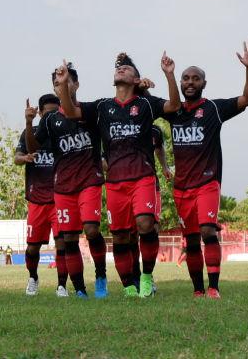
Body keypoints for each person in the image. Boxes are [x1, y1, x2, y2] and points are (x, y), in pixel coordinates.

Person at [54, 52, 181, 297]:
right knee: (121, 236)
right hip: (114, 182)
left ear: (136, 79)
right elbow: (71, 113)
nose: (121, 69)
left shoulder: (144, 104)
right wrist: (62, 88)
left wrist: (169, 75)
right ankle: (129, 287)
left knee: (145, 225)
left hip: (142, 176)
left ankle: (146, 276)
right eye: (118, 68)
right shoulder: (102, 107)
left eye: (127, 68)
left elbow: (173, 106)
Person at [163, 39, 248, 298]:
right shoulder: (173, 111)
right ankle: (197, 290)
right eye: (186, 78)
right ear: (181, 84)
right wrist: (168, 75)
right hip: (181, 187)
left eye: (196, 78)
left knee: (208, 231)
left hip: (207, 183)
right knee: (192, 240)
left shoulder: (213, 109)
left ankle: (214, 287)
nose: (190, 82)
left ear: (204, 83)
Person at [24, 63, 108, 299]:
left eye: (66, 81)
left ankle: (100, 275)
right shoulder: (51, 120)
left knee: (91, 229)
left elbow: (73, 111)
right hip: (63, 188)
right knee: (69, 238)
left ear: (77, 84)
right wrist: (30, 123)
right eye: (57, 83)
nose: (61, 86)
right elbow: (33, 148)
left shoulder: (92, 110)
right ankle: (80, 289)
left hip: (89, 180)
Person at [17, 93, 70, 296]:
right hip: (37, 200)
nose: (51, 118)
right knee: (32, 249)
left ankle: (62, 285)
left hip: (59, 198)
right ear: (39, 113)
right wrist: (25, 158)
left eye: (55, 113)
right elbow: (17, 157)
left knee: (62, 244)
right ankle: (33, 278)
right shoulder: (30, 133)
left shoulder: (64, 134)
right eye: (47, 113)